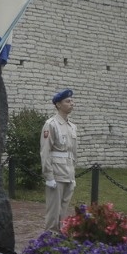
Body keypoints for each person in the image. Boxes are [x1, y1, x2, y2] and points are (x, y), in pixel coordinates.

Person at [40, 88, 78, 232]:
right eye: (68, 101)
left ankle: (60, 241)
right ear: (58, 104)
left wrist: (73, 175)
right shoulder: (51, 124)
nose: (71, 103)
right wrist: (49, 176)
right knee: (53, 214)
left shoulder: (72, 127)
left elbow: (73, 153)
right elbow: (45, 151)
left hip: (68, 174)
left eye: (72, 101)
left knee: (63, 212)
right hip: (56, 174)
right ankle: (49, 242)